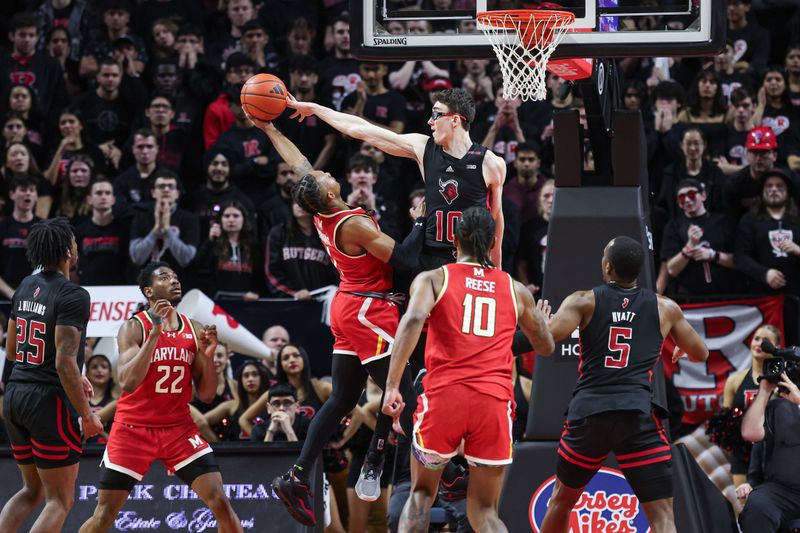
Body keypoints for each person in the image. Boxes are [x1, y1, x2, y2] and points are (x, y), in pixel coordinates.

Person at [248, 119, 422, 526]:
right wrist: (419, 221)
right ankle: (437, 468)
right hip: (366, 310)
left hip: (347, 304)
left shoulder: (322, 205)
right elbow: (406, 259)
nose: (326, 172)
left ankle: (296, 475)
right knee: (407, 386)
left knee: (342, 397)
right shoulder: (355, 224)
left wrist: (269, 129)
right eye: (326, 176)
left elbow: (299, 164)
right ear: (328, 193)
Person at [380, 206, 554, 532]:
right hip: (493, 402)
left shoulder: (434, 278)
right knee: (485, 511)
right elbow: (545, 346)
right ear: (493, 243)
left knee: (420, 495)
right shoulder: (515, 289)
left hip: (445, 397)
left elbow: (414, 319)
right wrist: (542, 324)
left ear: (455, 241)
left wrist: (392, 385)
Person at [538, 236, 710, 533]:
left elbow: (548, 341)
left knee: (561, 501)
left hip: (590, 415)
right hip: (637, 417)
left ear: (607, 266)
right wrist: (681, 347)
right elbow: (701, 352)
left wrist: (540, 323)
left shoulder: (583, 300)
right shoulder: (665, 307)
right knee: (662, 516)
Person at [78, 261, 242, 533]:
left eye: (176, 277)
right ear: (149, 292)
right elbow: (128, 382)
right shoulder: (133, 328)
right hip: (133, 429)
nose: (174, 281)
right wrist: (154, 335)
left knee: (221, 503)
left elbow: (206, 393)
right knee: (104, 515)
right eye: (165, 277)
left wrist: (209, 357)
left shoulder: (195, 328)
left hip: (178, 429)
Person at [286, 86, 506, 269]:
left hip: (472, 260)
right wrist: (316, 109)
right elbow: (361, 128)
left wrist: (497, 272)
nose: (430, 121)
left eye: (436, 114)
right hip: (432, 258)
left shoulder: (491, 163)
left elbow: (497, 223)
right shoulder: (422, 147)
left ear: (455, 120)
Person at [0, 217, 103, 532]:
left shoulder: (24, 287)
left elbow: (15, 349)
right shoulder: (73, 294)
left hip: (15, 395)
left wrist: (74, 372)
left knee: (32, 490)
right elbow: (63, 363)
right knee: (60, 500)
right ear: (67, 251)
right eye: (72, 240)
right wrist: (86, 415)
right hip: (47, 403)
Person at [738, 365, 800, 532]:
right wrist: (764, 391)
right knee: (758, 505)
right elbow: (750, 433)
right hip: (783, 491)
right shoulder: (779, 408)